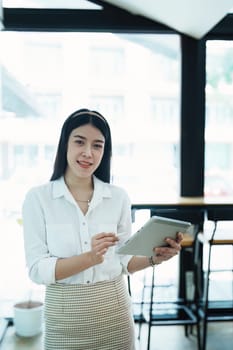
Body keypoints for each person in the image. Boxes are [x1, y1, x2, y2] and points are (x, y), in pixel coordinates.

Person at [22, 108, 183, 350]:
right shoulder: (38, 198)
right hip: (64, 323)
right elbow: (37, 270)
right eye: (79, 142)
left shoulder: (117, 197)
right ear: (64, 143)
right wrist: (89, 258)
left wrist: (154, 258)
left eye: (97, 145)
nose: (88, 153)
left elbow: (125, 262)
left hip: (116, 318)